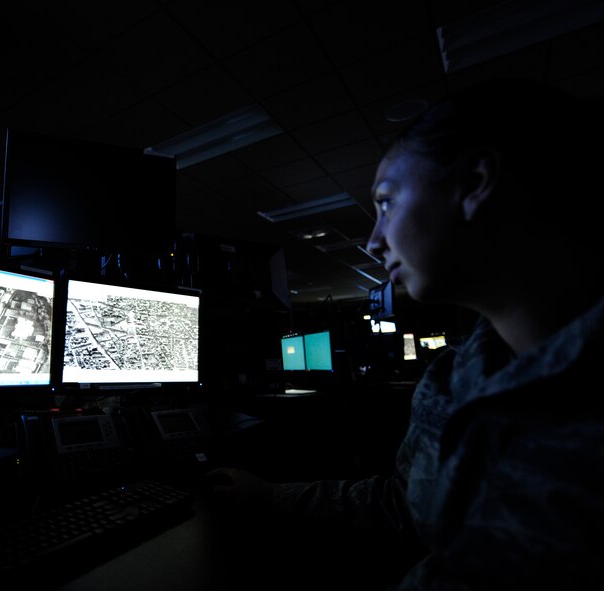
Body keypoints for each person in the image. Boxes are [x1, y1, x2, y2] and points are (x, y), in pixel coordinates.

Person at [206, 77, 604, 590]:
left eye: (387, 202)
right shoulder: (450, 379)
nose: (374, 240)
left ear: (476, 181)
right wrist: (269, 497)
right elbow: (406, 502)